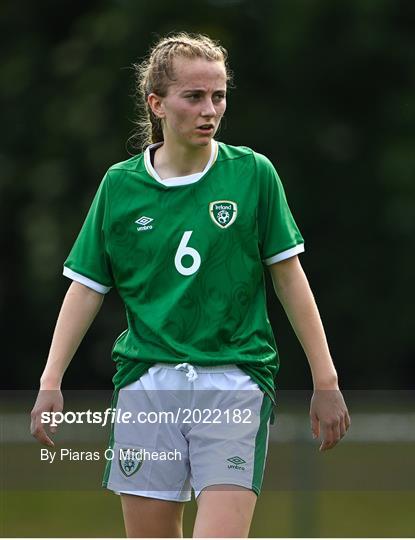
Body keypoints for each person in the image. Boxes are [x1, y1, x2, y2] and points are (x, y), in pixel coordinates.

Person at [31, 32, 350, 538]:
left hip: (234, 383)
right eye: (194, 96)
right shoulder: (120, 186)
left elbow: (290, 279)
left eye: (219, 95)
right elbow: (87, 288)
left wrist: (325, 381)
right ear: (157, 104)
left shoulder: (252, 175)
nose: (210, 110)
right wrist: (51, 381)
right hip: (146, 385)